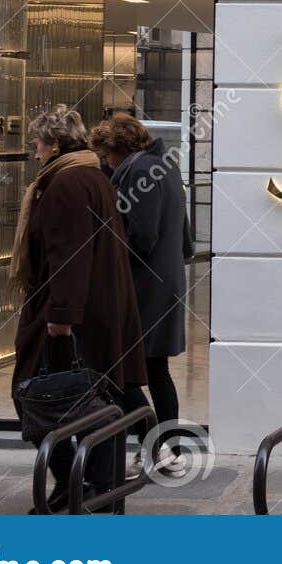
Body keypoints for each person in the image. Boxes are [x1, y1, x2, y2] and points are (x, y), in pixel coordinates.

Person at [11, 105, 147, 511]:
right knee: (98, 402)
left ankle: (80, 483)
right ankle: (93, 488)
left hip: (74, 317)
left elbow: (69, 255)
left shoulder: (65, 184)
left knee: (31, 396)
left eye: (37, 143)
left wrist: (60, 319)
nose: (34, 151)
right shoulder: (93, 176)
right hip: (101, 312)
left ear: (52, 144)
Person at [90, 114, 193, 478]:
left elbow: (142, 235)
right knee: (155, 368)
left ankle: (156, 447)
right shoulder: (167, 167)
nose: (106, 163)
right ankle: (169, 448)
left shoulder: (136, 171)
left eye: (106, 155)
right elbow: (185, 238)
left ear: (118, 148)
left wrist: (107, 258)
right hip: (167, 280)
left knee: (123, 372)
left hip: (142, 286)